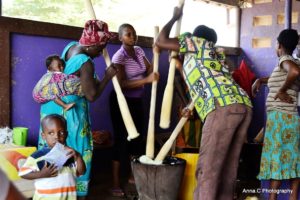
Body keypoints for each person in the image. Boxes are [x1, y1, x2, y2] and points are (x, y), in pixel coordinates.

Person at [155, 5, 253, 200]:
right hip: (243, 105)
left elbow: (161, 40)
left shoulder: (195, 42)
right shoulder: (210, 55)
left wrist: (174, 17)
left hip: (222, 108)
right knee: (227, 170)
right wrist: (189, 106)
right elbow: (201, 84)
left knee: (207, 170)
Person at [37, 19, 118, 199]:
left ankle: (52, 191)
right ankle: (75, 193)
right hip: (69, 114)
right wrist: (108, 77)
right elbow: (91, 95)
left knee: (52, 149)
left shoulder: (71, 47)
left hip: (51, 109)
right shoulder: (85, 62)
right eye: (101, 47)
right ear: (93, 45)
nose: (102, 51)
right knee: (76, 150)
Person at [109, 23, 159, 197]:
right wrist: (146, 81)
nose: (132, 36)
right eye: (128, 34)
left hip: (136, 101)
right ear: (120, 37)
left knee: (136, 139)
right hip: (121, 102)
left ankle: (131, 176)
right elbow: (122, 84)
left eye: (134, 33)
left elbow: (149, 70)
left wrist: (156, 53)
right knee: (121, 140)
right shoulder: (118, 57)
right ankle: (115, 183)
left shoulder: (138, 50)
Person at [252, 29, 300, 200]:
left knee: (276, 160)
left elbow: (294, 72)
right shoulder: (293, 60)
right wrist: (261, 80)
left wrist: (281, 91)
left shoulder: (285, 60)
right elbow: (282, 75)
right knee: (293, 158)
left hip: (279, 119)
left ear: (279, 45)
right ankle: (292, 197)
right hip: (291, 118)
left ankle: (272, 198)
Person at [19, 114, 86, 200]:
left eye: (61, 132)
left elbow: (81, 172)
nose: (56, 137)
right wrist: (41, 174)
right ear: (43, 136)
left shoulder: (71, 154)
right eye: (51, 133)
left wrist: (78, 156)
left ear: (66, 134)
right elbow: (23, 174)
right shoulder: (38, 156)